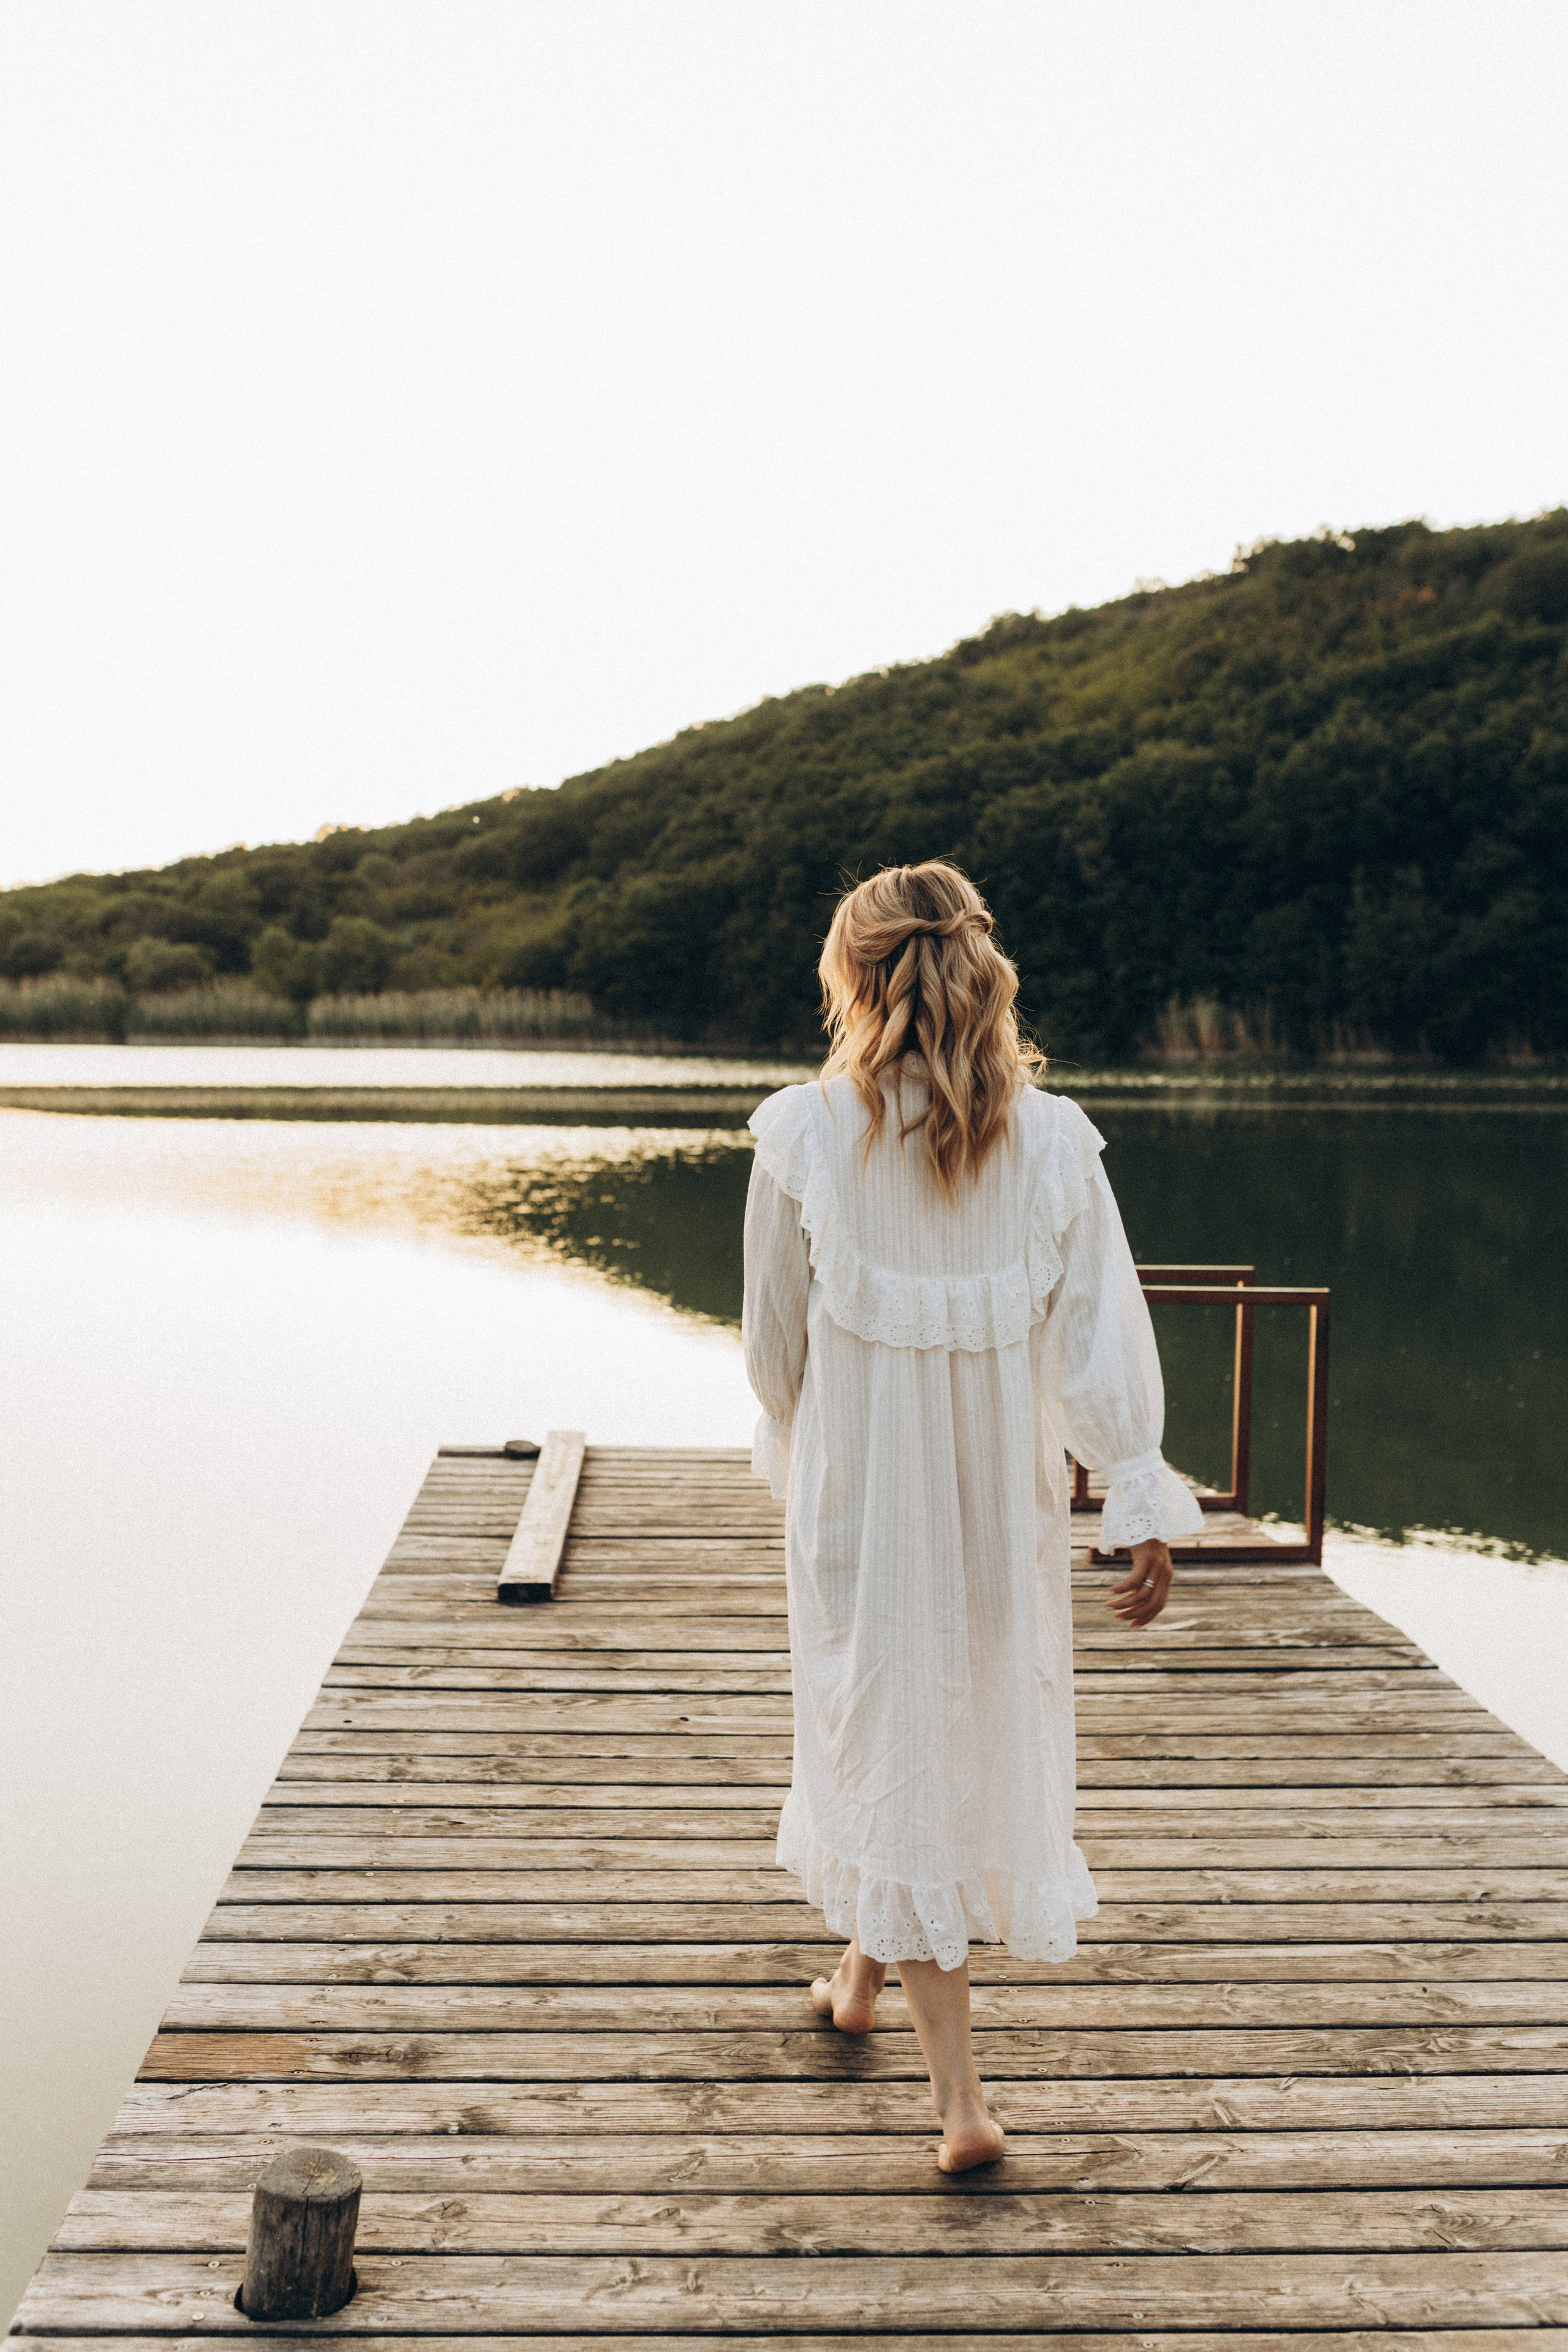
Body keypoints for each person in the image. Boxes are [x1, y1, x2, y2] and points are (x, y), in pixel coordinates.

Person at [741, 859, 1204, 2173]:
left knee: (897, 1738)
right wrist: (1134, 1492)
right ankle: (854, 1983)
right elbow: (1101, 1335)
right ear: (979, 971)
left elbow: (773, 1353)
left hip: (861, 1506)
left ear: (852, 976)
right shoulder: (1055, 1141)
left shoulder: (801, 1133)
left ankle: (959, 2108)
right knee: (936, 1736)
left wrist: (803, 1445)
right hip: (1001, 1509)